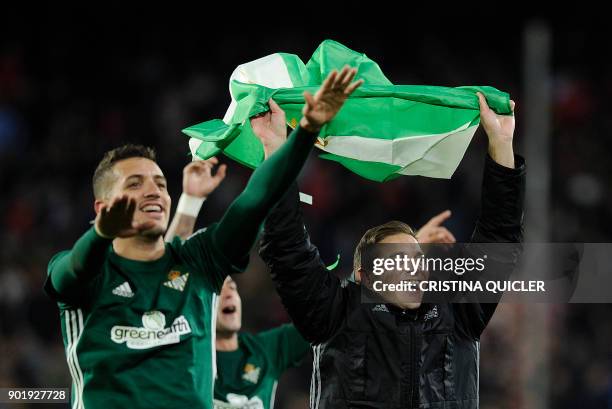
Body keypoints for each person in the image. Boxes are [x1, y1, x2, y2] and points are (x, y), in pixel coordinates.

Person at [44, 67, 363, 409]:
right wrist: (101, 234)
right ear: (102, 206)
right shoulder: (88, 274)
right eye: (135, 184)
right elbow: (70, 272)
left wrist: (304, 132)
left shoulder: (197, 261)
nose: (153, 191)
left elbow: (254, 201)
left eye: (160, 184)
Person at [258, 92, 526, 408]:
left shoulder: (458, 313)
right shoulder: (336, 314)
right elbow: (286, 248)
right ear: (363, 275)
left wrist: (501, 142)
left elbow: (499, 238)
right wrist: (275, 149)